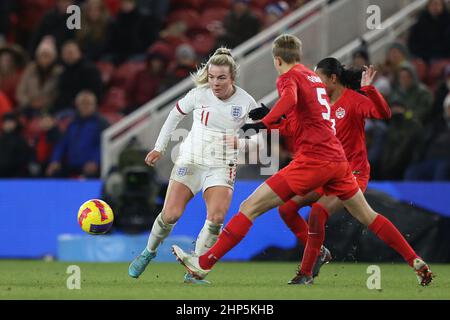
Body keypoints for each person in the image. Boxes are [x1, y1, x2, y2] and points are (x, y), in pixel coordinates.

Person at [172, 34, 433, 287]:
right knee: (368, 216)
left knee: (250, 207)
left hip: (314, 162)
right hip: (338, 162)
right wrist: (270, 121)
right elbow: (298, 124)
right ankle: (415, 260)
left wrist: (265, 120)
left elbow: (290, 99)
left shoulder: (290, 77)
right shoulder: (314, 80)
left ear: (277, 60)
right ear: (299, 55)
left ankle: (204, 263)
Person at [128, 48, 259, 284]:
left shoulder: (246, 102)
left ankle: (194, 271)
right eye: (211, 77)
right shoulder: (199, 94)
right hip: (191, 160)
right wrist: (160, 147)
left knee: (216, 218)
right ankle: (148, 252)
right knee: (170, 215)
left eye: (221, 78)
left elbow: (258, 136)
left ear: (232, 78)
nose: (215, 83)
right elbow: (173, 116)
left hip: (221, 165)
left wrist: (240, 142)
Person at [265, 58, 391, 276]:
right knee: (286, 209)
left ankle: (307, 270)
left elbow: (383, 114)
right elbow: (294, 128)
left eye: (318, 79)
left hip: (351, 173)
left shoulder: (353, 100)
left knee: (321, 212)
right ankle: (319, 252)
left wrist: (369, 89)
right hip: (325, 171)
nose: (314, 84)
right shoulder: (318, 105)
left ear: (333, 79)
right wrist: (268, 121)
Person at [46, 90, 108, 178]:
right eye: (83, 103)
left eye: (89, 103)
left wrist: (95, 161)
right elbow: (62, 143)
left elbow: (102, 145)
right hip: (71, 164)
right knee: (53, 173)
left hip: (91, 166)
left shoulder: (101, 123)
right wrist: (55, 160)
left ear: (94, 105)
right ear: (77, 105)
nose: (86, 106)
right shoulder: (71, 123)